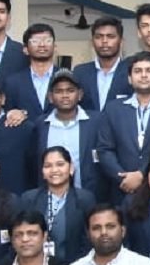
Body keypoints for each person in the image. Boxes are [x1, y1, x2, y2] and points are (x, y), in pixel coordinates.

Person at [95, 51, 150, 201]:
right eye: (137, 71)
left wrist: (142, 174)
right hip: (122, 192)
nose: (143, 75)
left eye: (149, 71)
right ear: (130, 78)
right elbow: (104, 149)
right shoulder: (113, 108)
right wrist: (124, 178)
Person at [18, 146, 95, 262]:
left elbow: (89, 239)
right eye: (48, 166)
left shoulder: (85, 199)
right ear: (43, 172)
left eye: (60, 164)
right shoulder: (29, 199)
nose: (54, 170)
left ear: (71, 168)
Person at [34, 69, 101, 201]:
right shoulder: (41, 124)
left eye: (70, 90)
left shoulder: (97, 121)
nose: (65, 95)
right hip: (50, 198)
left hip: (89, 197)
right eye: (59, 91)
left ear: (80, 95)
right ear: (50, 97)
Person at [72, 16, 130, 114]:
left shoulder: (131, 71)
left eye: (110, 36)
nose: (104, 41)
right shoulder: (80, 72)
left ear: (121, 41)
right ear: (92, 42)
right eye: (98, 37)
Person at [0, 23, 59, 115]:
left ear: (55, 47)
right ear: (25, 49)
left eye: (48, 40)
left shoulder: (68, 77)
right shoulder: (13, 82)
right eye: (35, 41)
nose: (42, 44)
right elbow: (9, 114)